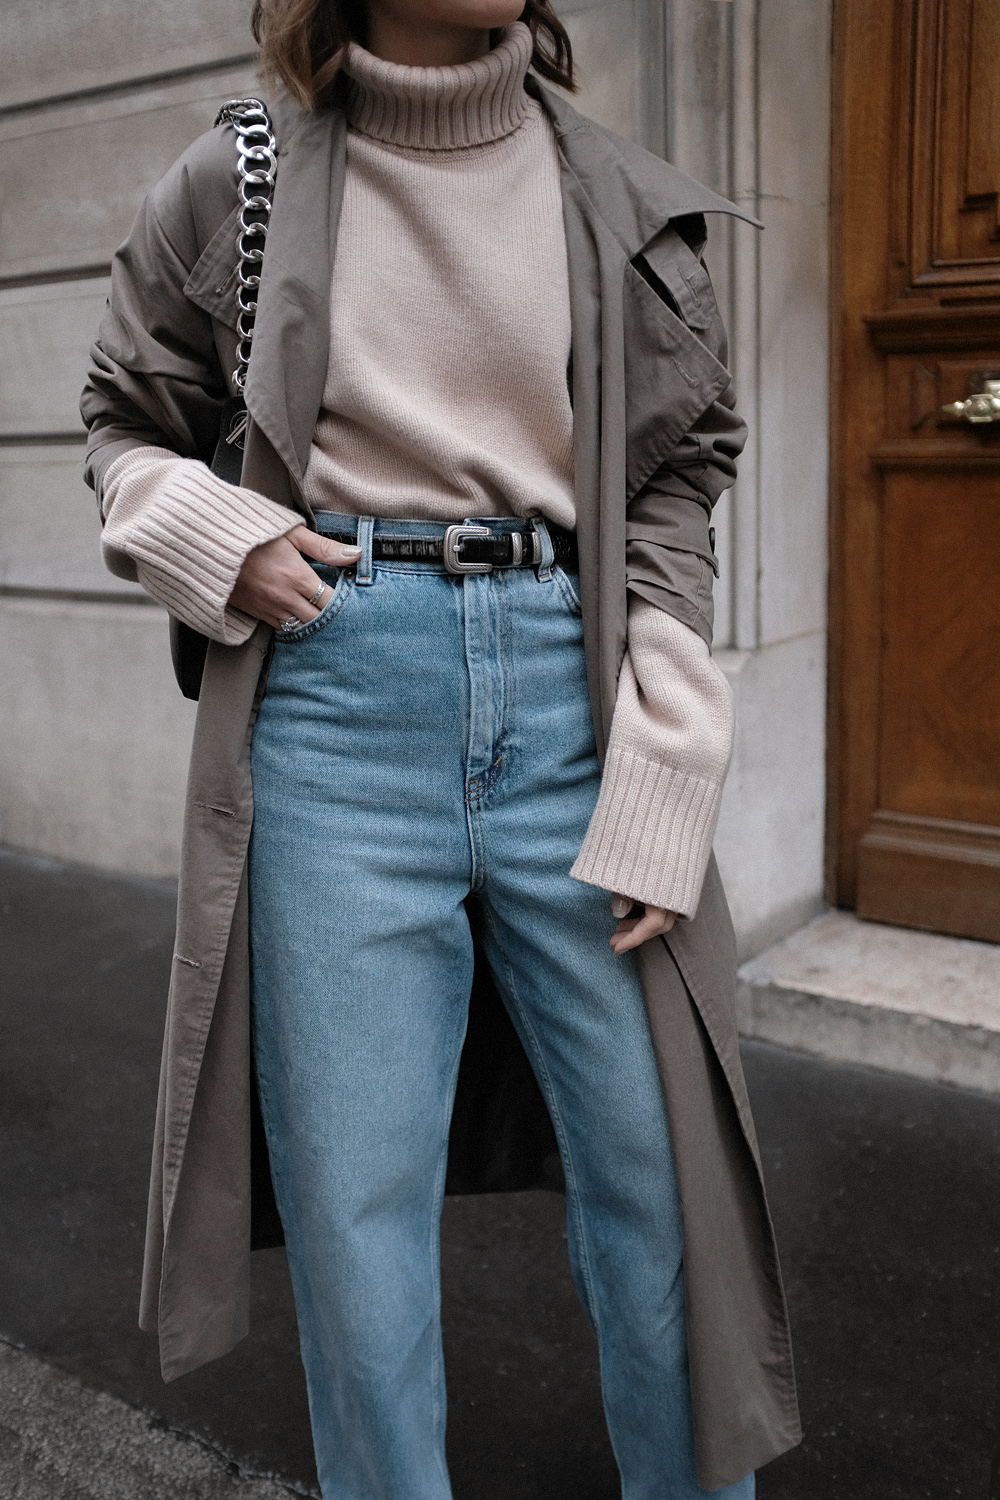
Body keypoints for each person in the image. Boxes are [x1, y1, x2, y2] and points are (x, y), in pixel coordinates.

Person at [80, 0, 801, 1494]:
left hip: (574, 697)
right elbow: (124, 417)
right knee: (359, 1231)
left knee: (664, 1190)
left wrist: (670, 747)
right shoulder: (241, 177)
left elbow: (677, 471)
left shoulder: (617, 190)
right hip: (338, 703)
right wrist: (221, 534)